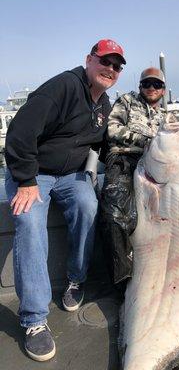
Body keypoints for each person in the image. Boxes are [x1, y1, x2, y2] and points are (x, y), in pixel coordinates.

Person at [4, 38, 126, 362]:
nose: (110, 69)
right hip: (33, 172)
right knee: (29, 222)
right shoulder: (63, 87)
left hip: (71, 176)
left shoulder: (105, 105)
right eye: (105, 61)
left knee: (89, 205)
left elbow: (107, 146)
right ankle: (34, 320)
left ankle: (76, 278)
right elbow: (18, 133)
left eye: (116, 66)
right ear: (89, 60)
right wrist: (27, 181)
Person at [99, 67, 166, 292]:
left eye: (156, 84)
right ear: (140, 86)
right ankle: (123, 282)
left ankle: (159, 274)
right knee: (114, 216)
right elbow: (112, 129)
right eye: (147, 83)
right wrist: (146, 140)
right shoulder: (126, 101)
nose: (151, 88)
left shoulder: (165, 117)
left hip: (154, 167)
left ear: (163, 90)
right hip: (123, 161)